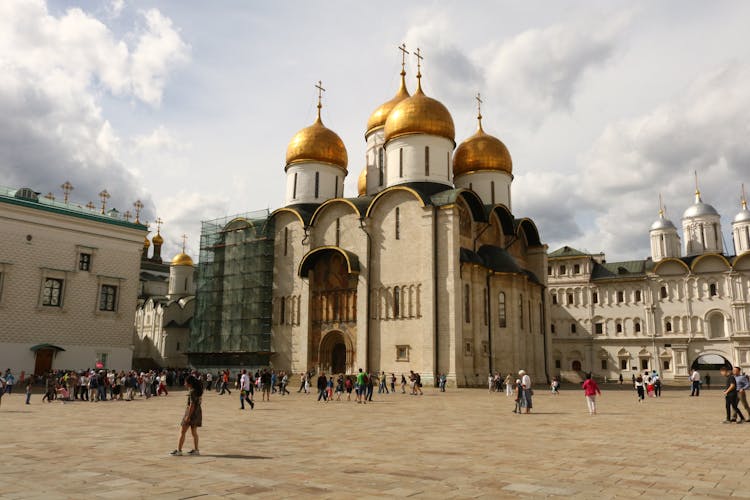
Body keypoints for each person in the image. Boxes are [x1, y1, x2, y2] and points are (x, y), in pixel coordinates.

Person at [171, 375, 203, 456]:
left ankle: (179, 450)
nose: (184, 383)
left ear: (190, 383)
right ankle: (196, 450)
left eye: (185, 382)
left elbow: (192, 405)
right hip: (197, 413)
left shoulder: (192, 392)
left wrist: (188, 417)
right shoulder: (197, 391)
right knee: (194, 432)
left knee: (182, 431)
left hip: (191, 413)